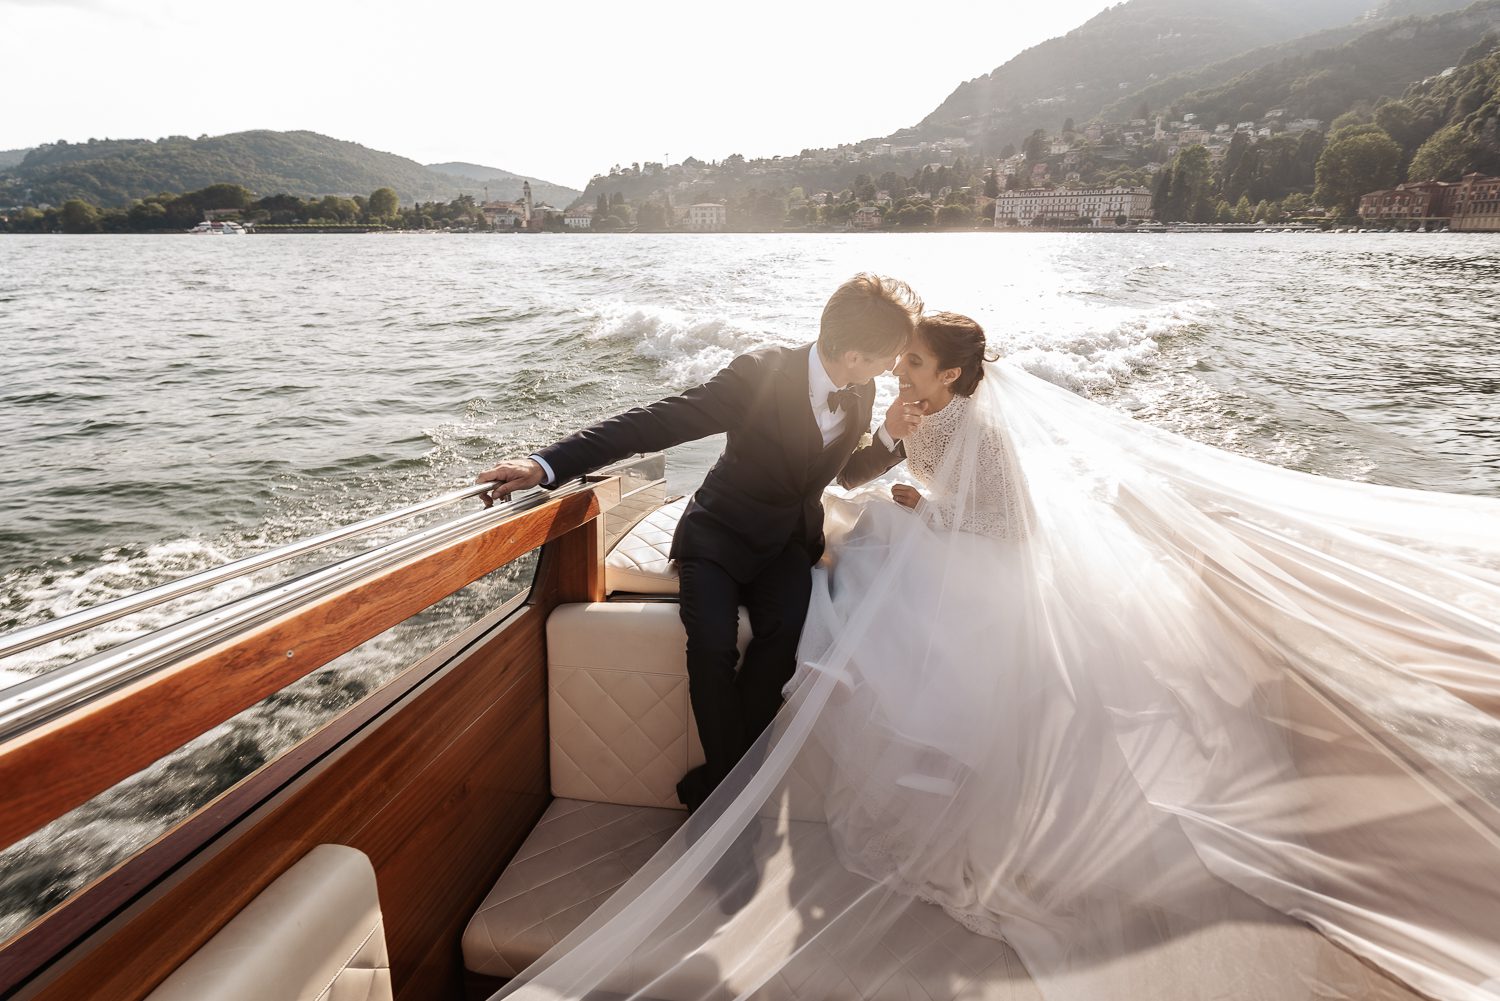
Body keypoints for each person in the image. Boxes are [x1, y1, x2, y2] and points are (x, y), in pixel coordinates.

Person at [492, 310, 1500, 1001]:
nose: (898, 376)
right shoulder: (883, 402)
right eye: (890, 362)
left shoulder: (980, 429)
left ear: (951, 373)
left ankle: (814, 779)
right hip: (769, 536)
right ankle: (740, 782)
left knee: (854, 614)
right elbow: (838, 458)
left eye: (912, 367)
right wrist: (896, 456)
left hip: (973, 565)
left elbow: (994, 521)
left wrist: (909, 498)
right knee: (823, 609)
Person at [476, 273, 924, 811]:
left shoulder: (863, 390)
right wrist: (546, 464)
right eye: (889, 357)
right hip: (720, 533)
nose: (894, 368)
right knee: (711, 644)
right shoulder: (760, 373)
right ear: (853, 354)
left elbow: (843, 474)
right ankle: (735, 793)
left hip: (787, 541)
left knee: (782, 641)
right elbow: (655, 424)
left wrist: (890, 437)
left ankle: (720, 781)